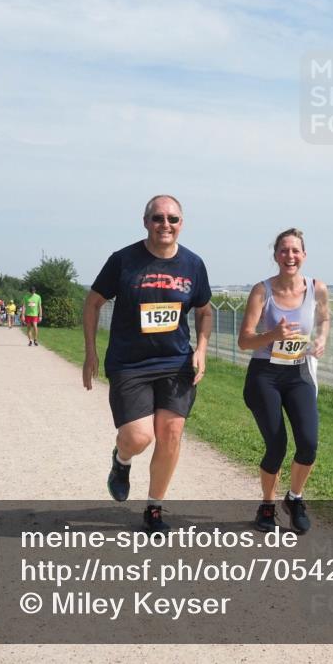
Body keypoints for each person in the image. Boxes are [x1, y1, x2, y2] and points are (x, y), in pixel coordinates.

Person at [82, 194, 212, 533]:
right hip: (130, 363)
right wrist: (90, 352)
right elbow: (93, 302)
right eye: (158, 218)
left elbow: (204, 310)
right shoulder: (123, 261)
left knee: (171, 433)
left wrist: (201, 348)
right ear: (145, 222)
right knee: (139, 437)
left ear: (181, 224)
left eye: (172, 219)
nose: (165, 225)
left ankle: (154, 507)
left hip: (175, 361)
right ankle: (121, 460)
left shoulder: (193, 265)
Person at [237, 228, 329, 534]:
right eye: (284, 250)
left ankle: (295, 498)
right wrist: (273, 335)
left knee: (309, 443)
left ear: (304, 255)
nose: (290, 256)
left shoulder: (317, 288)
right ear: (275, 255)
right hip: (266, 375)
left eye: (295, 251)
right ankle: (267, 504)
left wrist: (321, 339)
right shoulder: (261, 291)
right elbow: (244, 341)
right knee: (276, 446)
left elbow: (325, 318)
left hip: (299, 372)